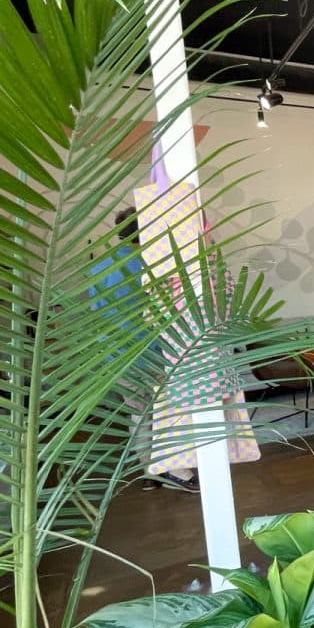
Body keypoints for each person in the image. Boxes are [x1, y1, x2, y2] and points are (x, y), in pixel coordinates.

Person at [88, 207, 200, 493]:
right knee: (166, 412)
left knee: (139, 414)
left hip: (116, 354)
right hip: (152, 352)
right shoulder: (151, 264)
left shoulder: (99, 268)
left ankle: (149, 471)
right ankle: (176, 471)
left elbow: (96, 312)